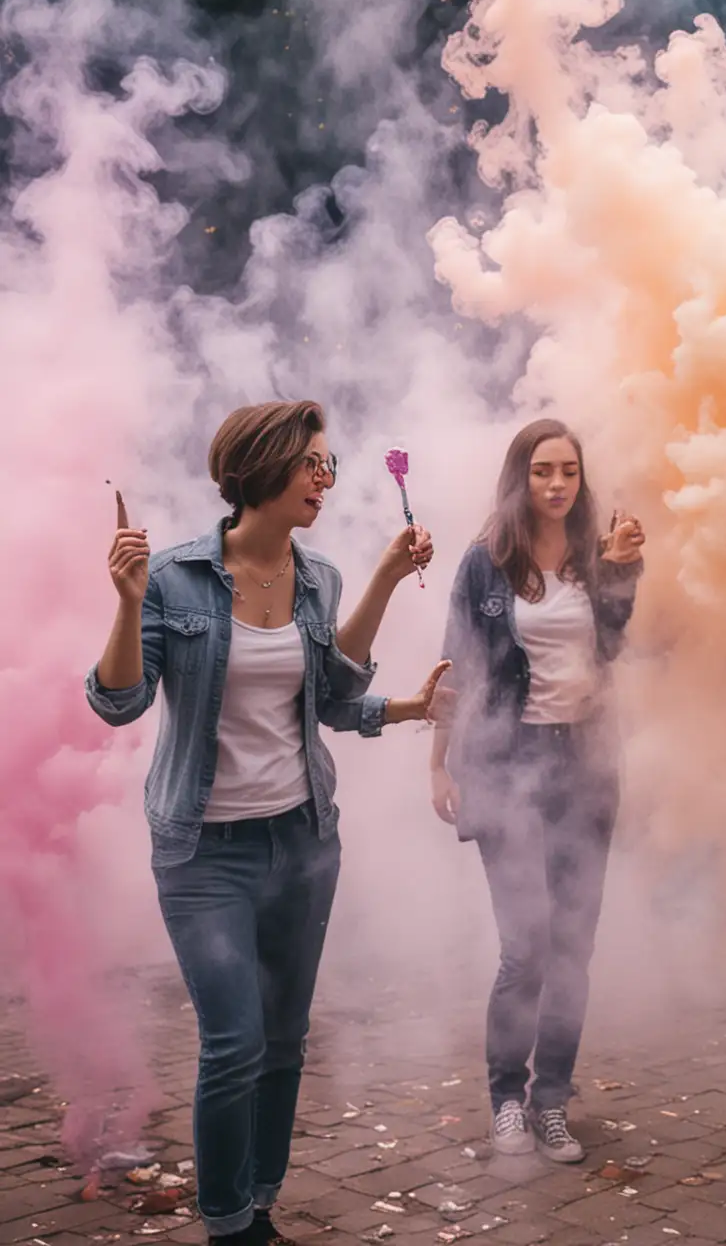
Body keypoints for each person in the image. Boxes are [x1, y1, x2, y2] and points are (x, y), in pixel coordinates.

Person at [88, 400, 446, 1246]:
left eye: (331, 466)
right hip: (204, 853)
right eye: (313, 464)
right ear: (265, 467)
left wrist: (390, 588)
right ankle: (227, 1227)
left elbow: (334, 696)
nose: (326, 479)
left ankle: (260, 1204)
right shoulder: (173, 578)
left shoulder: (316, 577)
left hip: (303, 841)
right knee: (235, 1041)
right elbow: (118, 702)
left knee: (285, 1038)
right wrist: (127, 602)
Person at [429, 418, 644, 1164]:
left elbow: (611, 650)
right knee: (526, 949)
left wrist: (619, 576)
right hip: (506, 764)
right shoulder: (484, 564)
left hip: (584, 767)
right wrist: (439, 761)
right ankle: (505, 1100)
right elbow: (457, 665)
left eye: (570, 472)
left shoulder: (596, 557)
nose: (557, 485)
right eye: (543, 471)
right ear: (520, 477)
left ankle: (553, 1099)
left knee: (573, 948)